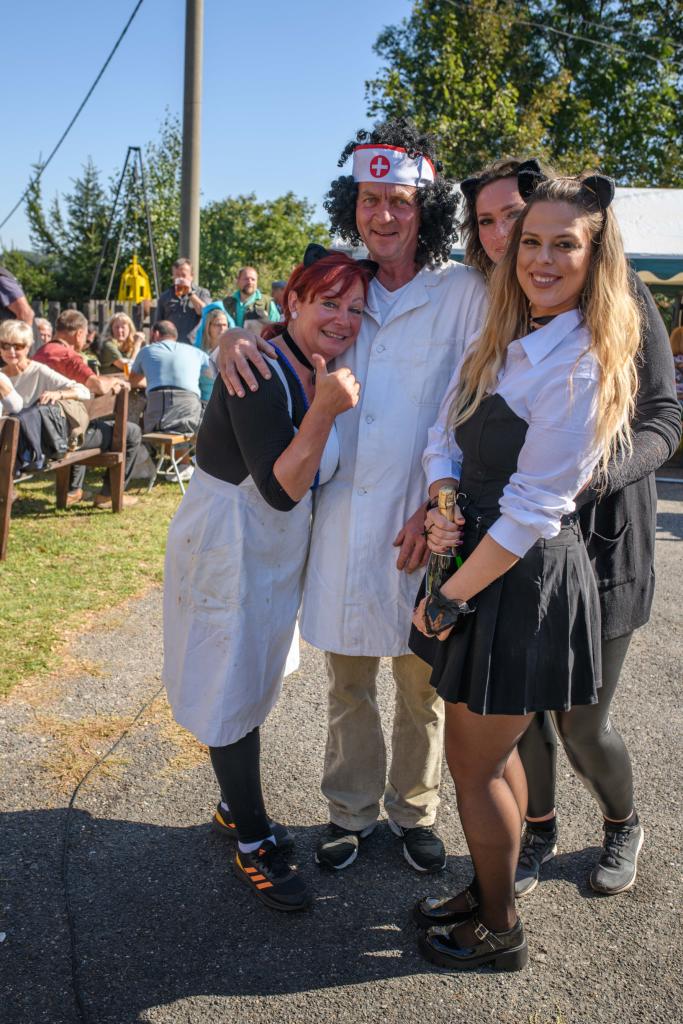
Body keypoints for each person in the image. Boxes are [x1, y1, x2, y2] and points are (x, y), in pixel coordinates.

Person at [216, 119, 488, 874]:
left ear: (426, 209)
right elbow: (289, 327)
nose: (384, 215)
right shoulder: (344, 283)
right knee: (348, 685)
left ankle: (414, 812)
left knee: (421, 685)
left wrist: (437, 505)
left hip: (425, 518)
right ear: (353, 204)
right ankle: (350, 811)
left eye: (400, 200)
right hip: (339, 520)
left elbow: (479, 406)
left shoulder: (463, 292)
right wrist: (234, 335)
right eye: (371, 199)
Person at [410, 170, 641, 971]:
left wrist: (446, 597)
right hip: (478, 563)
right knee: (489, 758)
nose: (540, 258)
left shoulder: (577, 362)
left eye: (563, 245)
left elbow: (535, 511)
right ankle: (487, 890)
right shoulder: (503, 338)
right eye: (529, 242)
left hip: (516, 579)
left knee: (473, 768)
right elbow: (443, 435)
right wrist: (442, 498)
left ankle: (500, 929)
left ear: (595, 255)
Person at [163, 249, 370, 912]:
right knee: (228, 681)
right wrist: (324, 411)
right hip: (228, 543)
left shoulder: (314, 365)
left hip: (266, 551)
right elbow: (281, 490)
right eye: (328, 303)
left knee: (251, 676)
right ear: (294, 302)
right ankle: (251, 840)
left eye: (355, 308)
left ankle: (235, 803)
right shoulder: (259, 368)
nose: (343, 319)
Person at [33, 309, 141, 508]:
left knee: (85, 423)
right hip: (59, 436)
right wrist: (113, 382)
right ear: (79, 333)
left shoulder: (40, 353)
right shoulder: (67, 356)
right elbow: (98, 386)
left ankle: (73, 490)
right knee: (131, 432)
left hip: (37, 431)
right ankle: (108, 495)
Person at [129, 319, 211, 438]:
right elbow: (214, 373)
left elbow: (132, 381)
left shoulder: (146, 350)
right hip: (191, 416)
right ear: (175, 335)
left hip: (159, 417)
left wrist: (153, 380)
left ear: (156, 334)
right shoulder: (196, 352)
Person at [156, 258, 210, 344]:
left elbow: (205, 312)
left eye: (183, 275)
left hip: (195, 346)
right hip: (172, 345)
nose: (180, 279)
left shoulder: (202, 293)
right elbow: (158, 324)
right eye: (177, 275)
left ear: (191, 276)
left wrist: (190, 293)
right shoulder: (165, 296)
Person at [193, 302, 234, 403]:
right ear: (208, 326)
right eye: (218, 325)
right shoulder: (198, 350)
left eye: (225, 325)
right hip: (203, 402)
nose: (222, 329)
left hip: (226, 401)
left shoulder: (232, 350)